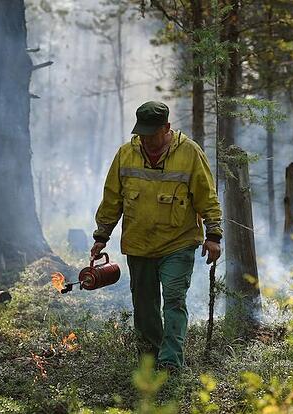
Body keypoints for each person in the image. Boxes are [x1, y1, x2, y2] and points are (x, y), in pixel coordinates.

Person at [90, 101, 222, 371]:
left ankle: (170, 361)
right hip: (139, 244)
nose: (147, 140)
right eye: (142, 134)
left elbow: (207, 196)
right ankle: (150, 356)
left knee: (174, 299)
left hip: (179, 242)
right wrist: (101, 236)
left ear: (167, 128)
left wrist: (214, 235)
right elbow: (112, 198)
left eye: (153, 134)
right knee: (145, 304)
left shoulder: (190, 153)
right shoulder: (126, 154)